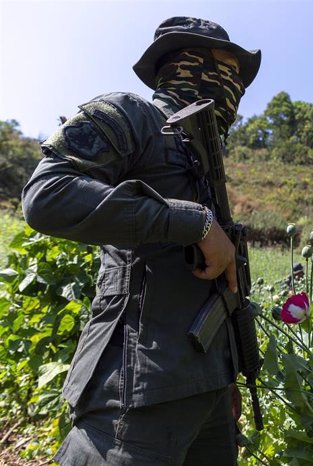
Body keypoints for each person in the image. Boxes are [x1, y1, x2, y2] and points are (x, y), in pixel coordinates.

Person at [22, 17, 261, 465]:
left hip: (205, 391)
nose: (236, 86)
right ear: (189, 64)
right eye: (228, 68)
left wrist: (225, 378)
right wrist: (196, 224)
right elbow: (46, 195)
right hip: (136, 391)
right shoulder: (134, 115)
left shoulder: (205, 160)